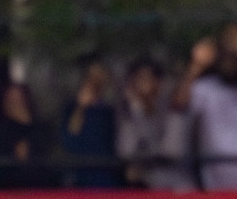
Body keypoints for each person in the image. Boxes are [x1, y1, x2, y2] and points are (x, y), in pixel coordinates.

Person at [174, 24, 237, 191]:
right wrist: (197, 65)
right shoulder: (206, 88)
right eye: (224, 55)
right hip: (217, 183)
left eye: (233, 57)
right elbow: (178, 103)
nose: (228, 61)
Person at [116, 58, 193, 191]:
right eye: (137, 79)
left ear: (158, 82)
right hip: (149, 191)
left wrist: (141, 160)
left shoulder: (173, 109)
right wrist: (135, 110)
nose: (141, 84)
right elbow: (126, 151)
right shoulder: (131, 112)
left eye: (146, 78)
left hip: (179, 190)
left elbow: (172, 151)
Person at [60, 58, 120, 188]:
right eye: (92, 76)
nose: (95, 81)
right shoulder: (71, 108)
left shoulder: (108, 110)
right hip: (79, 173)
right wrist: (81, 108)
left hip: (105, 174)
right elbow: (69, 138)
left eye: (99, 76)